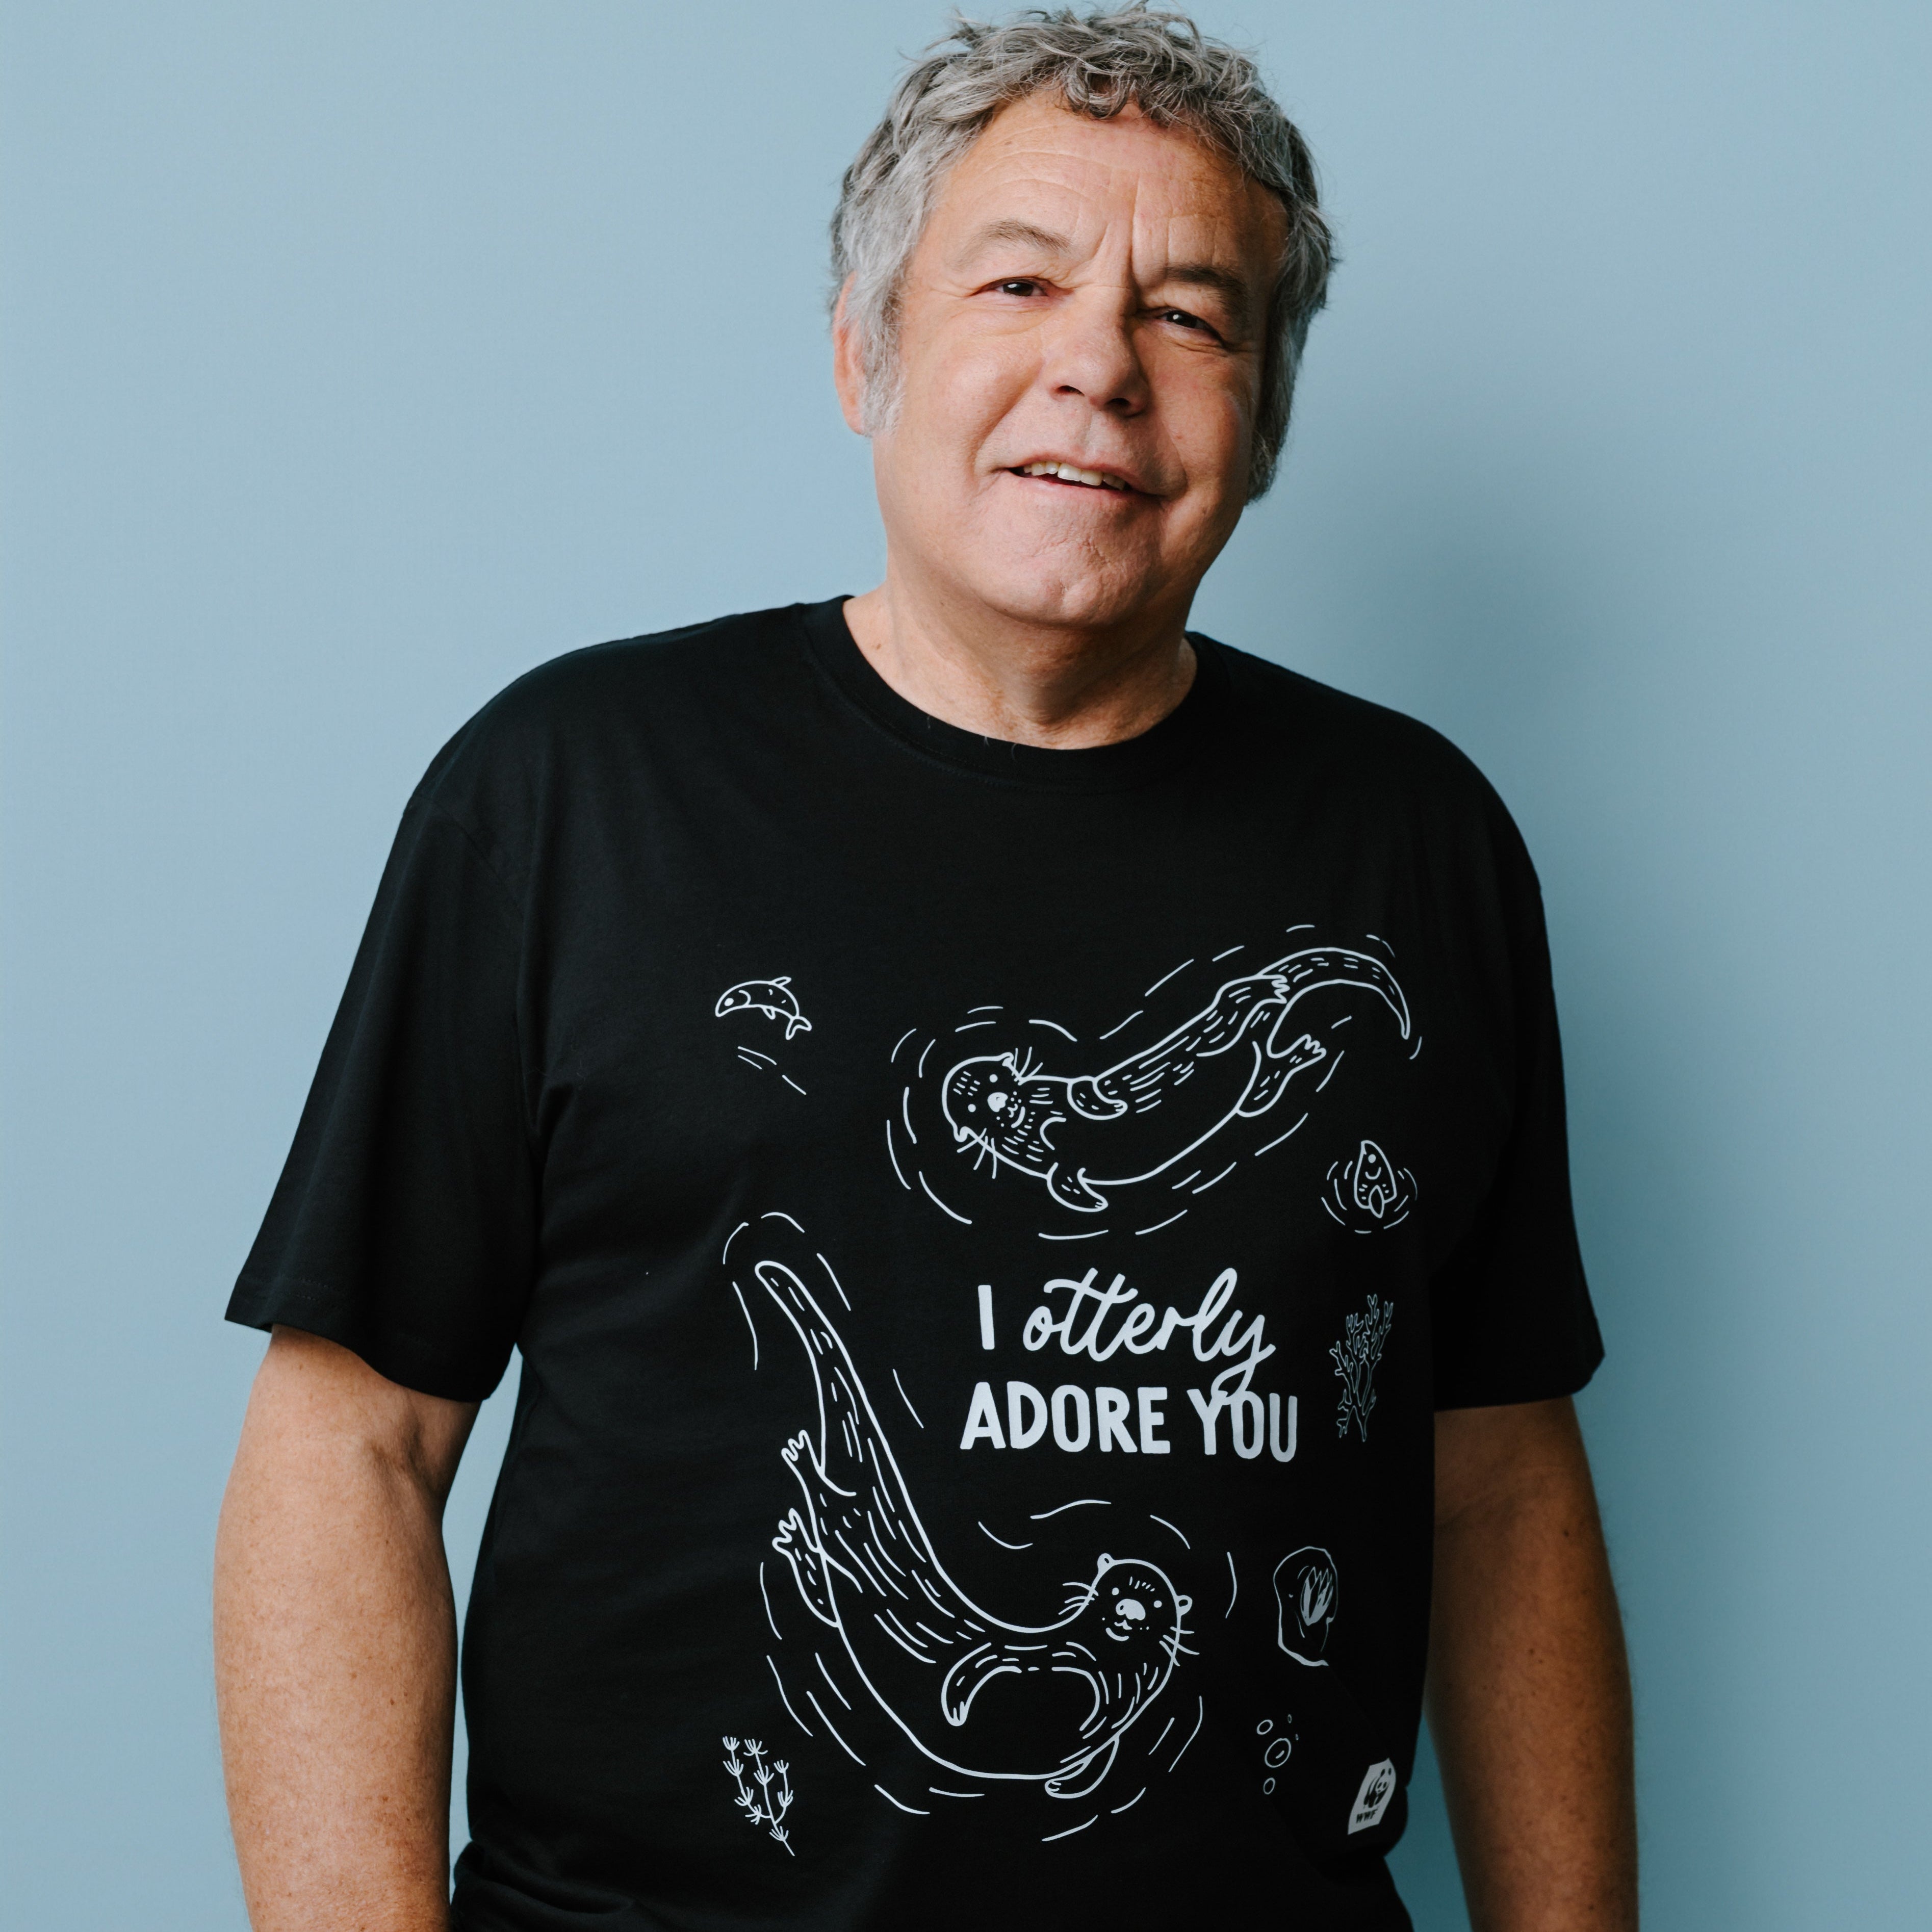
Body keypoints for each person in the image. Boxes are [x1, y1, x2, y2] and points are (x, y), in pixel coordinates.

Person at [213, 7, 1636, 1928]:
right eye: (1021, 281)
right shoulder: (572, 795)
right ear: (863, 351)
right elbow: (351, 1444)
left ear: (1261, 424)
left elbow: (1500, 1479)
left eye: (1193, 317)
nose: (1099, 373)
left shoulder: (1418, 843)